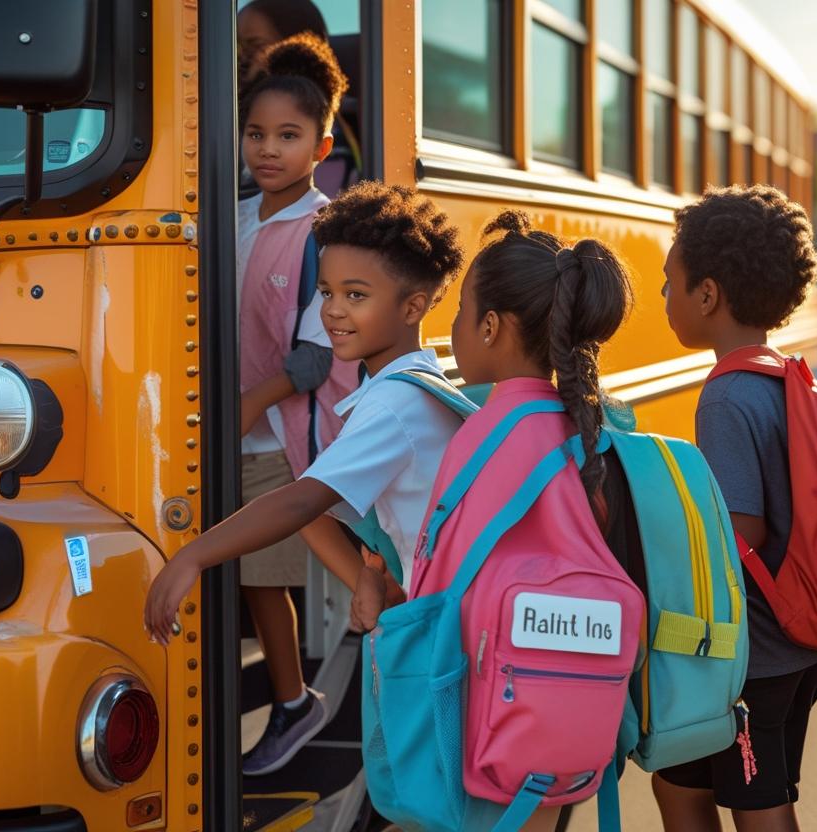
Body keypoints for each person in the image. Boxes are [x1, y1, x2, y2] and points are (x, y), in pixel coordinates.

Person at [144, 175, 466, 668]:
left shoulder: (393, 407)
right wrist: (363, 577)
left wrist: (193, 556)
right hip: (432, 611)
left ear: (413, 306)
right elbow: (314, 504)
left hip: (440, 638)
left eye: (355, 296)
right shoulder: (412, 386)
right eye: (325, 292)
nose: (332, 311)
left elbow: (300, 503)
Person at [394, 210, 637, 832]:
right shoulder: (586, 426)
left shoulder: (484, 433)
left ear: (493, 327)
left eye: (460, 314)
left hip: (490, 723)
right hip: (572, 711)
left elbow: (440, 593)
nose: (451, 329)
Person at [648, 185, 817, 832]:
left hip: (752, 657)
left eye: (670, 282)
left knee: (760, 804)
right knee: (677, 781)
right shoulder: (785, 375)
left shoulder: (724, 397)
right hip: (796, 645)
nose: (663, 296)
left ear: (708, 294)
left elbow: (738, 530)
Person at [233, 33, 360, 777]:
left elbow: (315, 357)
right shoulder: (234, 215)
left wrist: (248, 406)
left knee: (263, 576)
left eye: (288, 135)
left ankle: (293, 701)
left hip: (278, 432)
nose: (268, 149)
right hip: (226, 425)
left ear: (321, 143)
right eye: (256, 133)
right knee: (245, 573)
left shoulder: (321, 230)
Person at [237, 0, 362, 199]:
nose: (240, 57)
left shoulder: (324, 132)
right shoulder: (235, 112)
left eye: (255, 46)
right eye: (237, 46)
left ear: (294, 48)